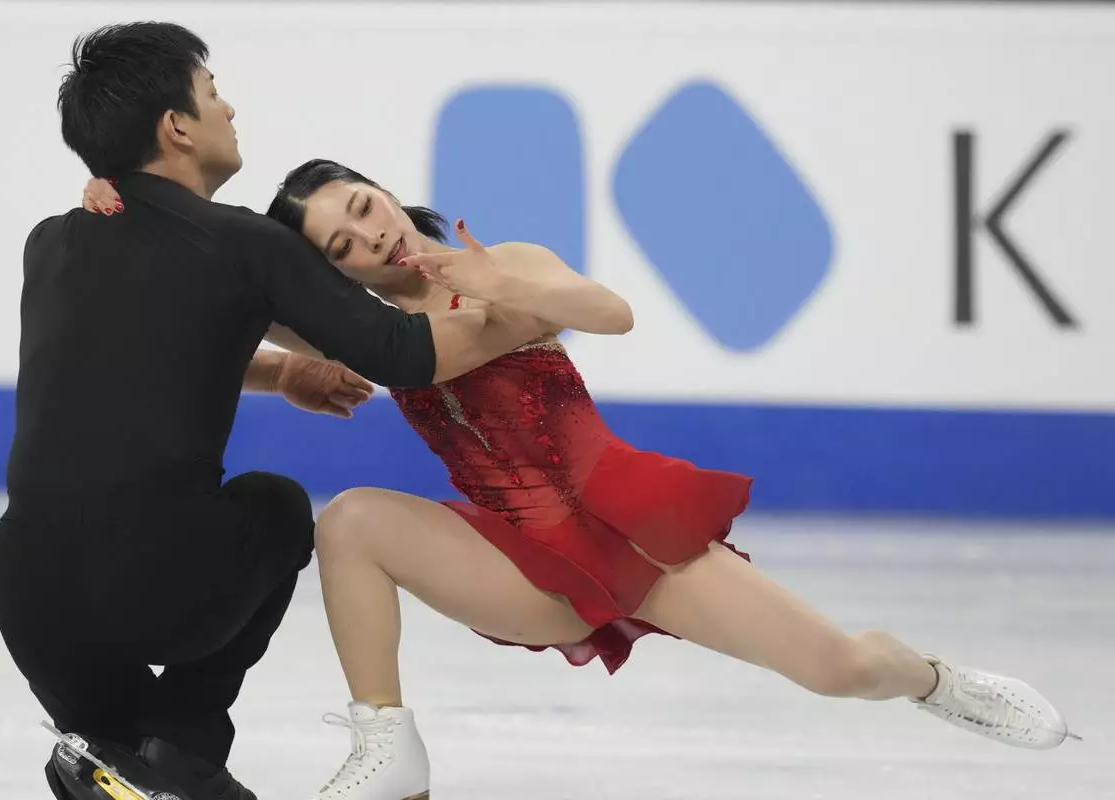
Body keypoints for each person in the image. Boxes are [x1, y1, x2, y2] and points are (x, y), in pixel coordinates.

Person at [83, 159, 1077, 800]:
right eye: (337, 245)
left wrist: (504, 283)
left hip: (633, 530)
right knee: (349, 520)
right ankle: (390, 745)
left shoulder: (501, 260)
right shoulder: (352, 323)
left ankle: (936, 679)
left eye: (363, 208)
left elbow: (608, 311)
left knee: (839, 667)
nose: (366, 237)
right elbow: (191, 332)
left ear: (382, 189)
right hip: (520, 559)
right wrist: (147, 229)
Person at [0, 23, 542, 800]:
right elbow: (401, 350)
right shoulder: (243, 243)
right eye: (212, 93)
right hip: (151, 583)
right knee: (276, 507)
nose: (230, 109)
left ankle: (136, 759)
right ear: (176, 126)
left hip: (29, 599)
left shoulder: (49, 242)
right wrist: (533, 299)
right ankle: (181, 748)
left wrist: (280, 372)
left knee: (133, 763)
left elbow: (128, 355)